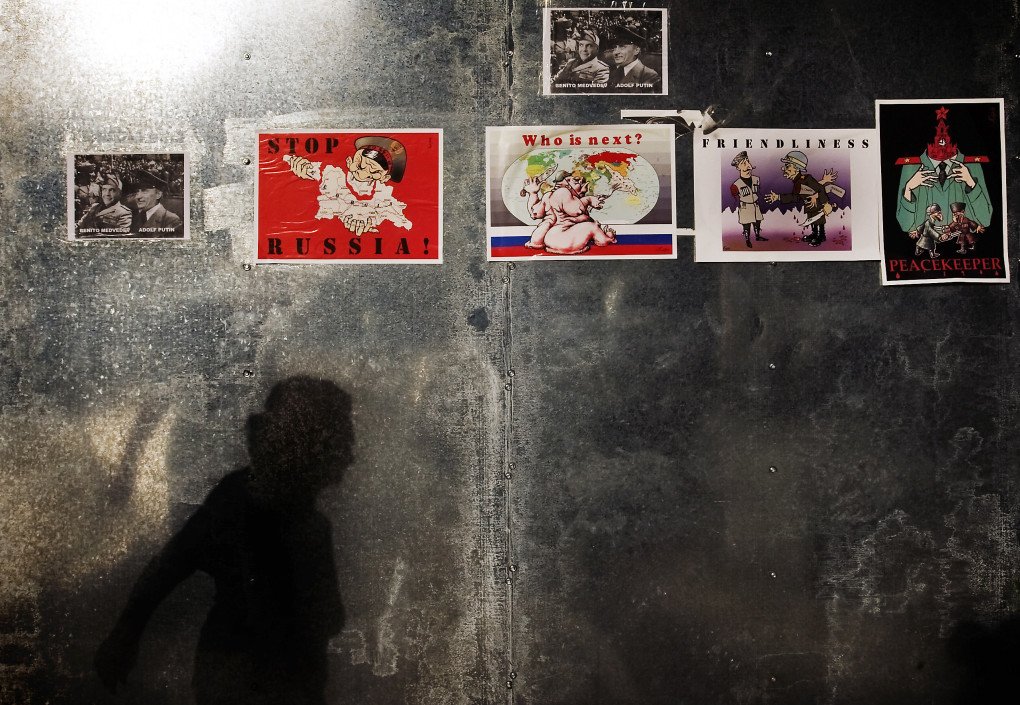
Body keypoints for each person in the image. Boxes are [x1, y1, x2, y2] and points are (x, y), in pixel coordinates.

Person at [95, 377, 354, 705]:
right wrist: (124, 636)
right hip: (246, 681)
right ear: (305, 444)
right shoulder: (246, 502)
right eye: (342, 437)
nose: (349, 455)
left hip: (265, 678)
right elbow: (168, 566)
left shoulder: (304, 519)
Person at [285, 136, 412, 237]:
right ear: (352, 157)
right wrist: (299, 166)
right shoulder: (331, 172)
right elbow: (292, 161)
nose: (362, 174)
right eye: (360, 164)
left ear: (385, 178)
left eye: (373, 171)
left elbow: (405, 227)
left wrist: (369, 226)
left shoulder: (386, 199)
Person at [895, 106, 993, 237]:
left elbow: (985, 219)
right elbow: (906, 226)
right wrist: (908, 189)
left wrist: (971, 183)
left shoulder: (971, 166)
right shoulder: (911, 167)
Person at [521, 169, 616, 254]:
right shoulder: (562, 192)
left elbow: (535, 213)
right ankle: (606, 239)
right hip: (562, 239)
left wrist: (533, 193)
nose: (581, 183)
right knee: (591, 226)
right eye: (575, 181)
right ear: (566, 184)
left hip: (550, 238)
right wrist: (589, 199)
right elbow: (576, 211)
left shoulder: (549, 196)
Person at [764, 151, 838, 247]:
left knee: (819, 221)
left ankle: (821, 236)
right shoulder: (797, 183)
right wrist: (778, 197)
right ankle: (814, 234)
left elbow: (820, 188)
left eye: (787, 166)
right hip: (809, 205)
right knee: (812, 220)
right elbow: (796, 197)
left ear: (796, 168)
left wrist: (825, 203)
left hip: (818, 204)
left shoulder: (807, 178)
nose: (783, 168)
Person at [605, 26, 661, 93]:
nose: (615, 52)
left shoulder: (649, 76)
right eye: (614, 47)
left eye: (622, 47)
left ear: (636, 50)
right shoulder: (613, 73)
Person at [729, 151, 765, 248]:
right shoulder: (735, 185)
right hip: (745, 206)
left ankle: (758, 236)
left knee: (757, 221)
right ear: (738, 168)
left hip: (755, 204)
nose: (748, 165)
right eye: (744, 163)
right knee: (746, 224)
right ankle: (747, 240)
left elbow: (758, 191)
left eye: (748, 161)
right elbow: (735, 197)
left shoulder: (756, 179)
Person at [132, 169, 184, 235]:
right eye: (137, 192)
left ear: (158, 194)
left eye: (144, 191)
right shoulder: (136, 217)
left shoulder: (171, 220)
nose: (138, 197)